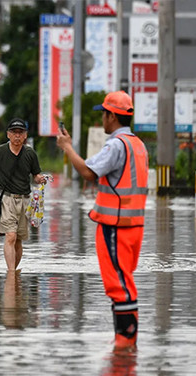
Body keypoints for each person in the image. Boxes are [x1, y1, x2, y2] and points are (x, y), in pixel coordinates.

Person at [55, 90, 149, 347]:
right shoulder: (138, 145)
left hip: (115, 225)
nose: (102, 120)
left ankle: (125, 341)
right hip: (134, 225)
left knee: (117, 283)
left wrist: (67, 148)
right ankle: (126, 340)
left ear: (112, 116)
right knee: (124, 279)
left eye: (104, 115)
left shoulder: (116, 145)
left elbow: (88, 171)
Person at [0, 118, 47, 271]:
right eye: (14, 132)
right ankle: (11, 273)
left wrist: (41, 179)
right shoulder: (0, 152)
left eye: (21, 133)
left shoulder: (30, 153)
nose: (17, 136)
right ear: (8, 134)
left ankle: (14, 273)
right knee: (10, 236)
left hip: (25, 201)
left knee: (19, 240)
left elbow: (36, 175)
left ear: (25, 135)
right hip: (6, 199)